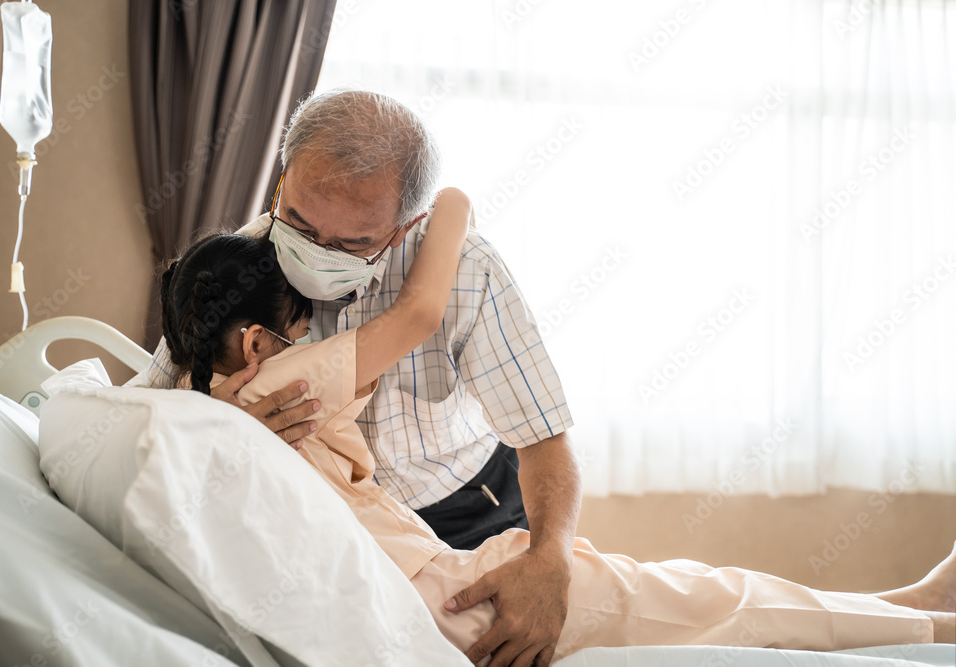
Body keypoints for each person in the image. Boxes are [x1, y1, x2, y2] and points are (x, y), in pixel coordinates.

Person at [158, 227, 955, 667]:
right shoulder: (281, 381)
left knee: (687, 595)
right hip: (454, 598)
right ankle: (926, 627)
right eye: (301, 318)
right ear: (261, 339)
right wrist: (450, 197)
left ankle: (899, 609)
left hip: (441, 560)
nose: (317, 326)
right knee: (701, 602)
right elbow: (422, 307)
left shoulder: (185, 410)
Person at [131, 88, 580, 664]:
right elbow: (146, 404)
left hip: (467, 505)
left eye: (352, 243)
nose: (317, 251)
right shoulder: (241, 263)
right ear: (281, 180)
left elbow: (544, 437)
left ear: (405, 224)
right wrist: (222, 425)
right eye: (298, 222)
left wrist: (551, 559)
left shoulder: (467, 273)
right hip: (321, 521)